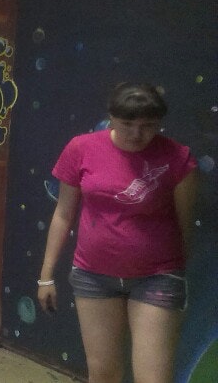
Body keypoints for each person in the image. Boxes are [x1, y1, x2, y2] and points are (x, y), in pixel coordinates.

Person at [38, 83, 198, 383]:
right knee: (103, 374)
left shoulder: (177, 157)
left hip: (156, 277)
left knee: (153, 378)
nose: (137, 134)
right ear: (111, 118)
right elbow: (63, 214)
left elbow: (185, 224)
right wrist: (46, 275)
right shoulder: (81, 148)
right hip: (93, 276)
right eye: (127, 124)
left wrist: (174, 272)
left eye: (148, 126)